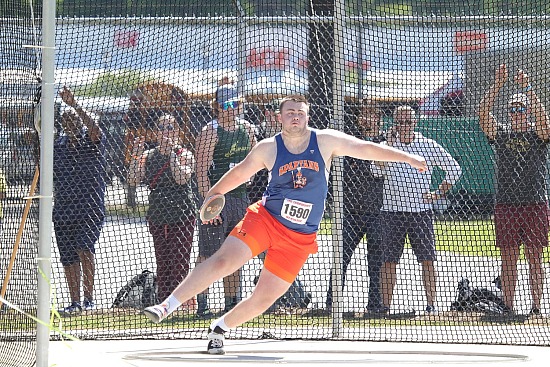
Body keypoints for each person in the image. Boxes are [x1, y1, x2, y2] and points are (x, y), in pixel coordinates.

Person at [143, 95, 427, 354]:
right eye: (289, 112)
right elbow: (240, 173)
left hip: (299, 237)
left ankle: (221, 327)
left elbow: (364, 148)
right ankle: (167, 305)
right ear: (280, 117)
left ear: (307, 116)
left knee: (264, 297)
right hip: (265, 220)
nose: (295, 117)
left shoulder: (324, 141)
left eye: (300, 113)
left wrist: (408, 158)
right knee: (223, 261)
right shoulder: (269, 147)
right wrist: (213, 194)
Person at [373, 105, 462, 314]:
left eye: (408, 122)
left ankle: (431, 306)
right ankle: (385, 307)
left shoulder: (427, 145)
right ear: (394, 124)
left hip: (420, 212)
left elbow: (454, 170)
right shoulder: (387, 146)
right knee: (388, 261)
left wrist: (437, 193)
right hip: (391, 212)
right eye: (400, 122)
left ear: (416, 122)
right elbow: (375, 171)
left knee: (427, 259)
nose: (404, 126)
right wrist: (389, 147)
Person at [478, 64, 549, 315]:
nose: (516, 111)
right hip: (507, 203)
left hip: (535, 202)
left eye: (520, 108)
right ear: (508, 113)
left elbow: (545, 123)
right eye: (513, 108)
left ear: (527, 110)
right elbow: (483, 113)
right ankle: (508, 306)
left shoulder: (537, 133)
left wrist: (527, 89)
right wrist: (498, 84)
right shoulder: (502, 134)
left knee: (535, 257)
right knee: (508, 258)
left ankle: (536, 307)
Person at [194, 83, 257, 317]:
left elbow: (254, 162)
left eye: (236, 103)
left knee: (235, 253)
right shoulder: (210, 132)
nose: (232, 108)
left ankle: (232, 302)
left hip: (240, 198)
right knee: (209, 253)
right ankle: (202, 302)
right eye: (227, 104)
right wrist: (210, 205)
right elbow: (201, 173)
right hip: (217, 200)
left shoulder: (247, 129)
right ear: (217, 107)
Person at [127, 114, 198, 307]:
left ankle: (183, 303)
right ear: (156, 133)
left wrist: (172, 154)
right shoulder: (148, 156)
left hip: (182, 214)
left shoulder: (184, 153)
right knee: (163, 261)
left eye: (170, 128)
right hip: (158, 214)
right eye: (162, 128)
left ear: (177, 131)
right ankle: (164, 303)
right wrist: (136, 154)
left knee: (180, 261)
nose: (166, 132)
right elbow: (133, 179)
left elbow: (181, 178)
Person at [325, 101, 385, 316]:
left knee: (376, 260)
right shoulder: (349, 142)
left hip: (378, 211)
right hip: (349, 210)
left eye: (372, 115)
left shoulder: (384, 142)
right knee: (340, 257)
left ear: (378, 118)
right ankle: (332, 304)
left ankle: (375, 305)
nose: (367, 119)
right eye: (363, 114)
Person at [53, 86, 107, 314]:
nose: (70, 123)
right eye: (66, 119)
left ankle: (88, 299)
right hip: (64, 209)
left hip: (89, 209)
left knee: (85, 248)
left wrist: (75, 104)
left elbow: (95, 130)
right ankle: (74, 301)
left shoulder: (91, 142)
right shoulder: (58, 146)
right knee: (68, 258)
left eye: (74, 119)